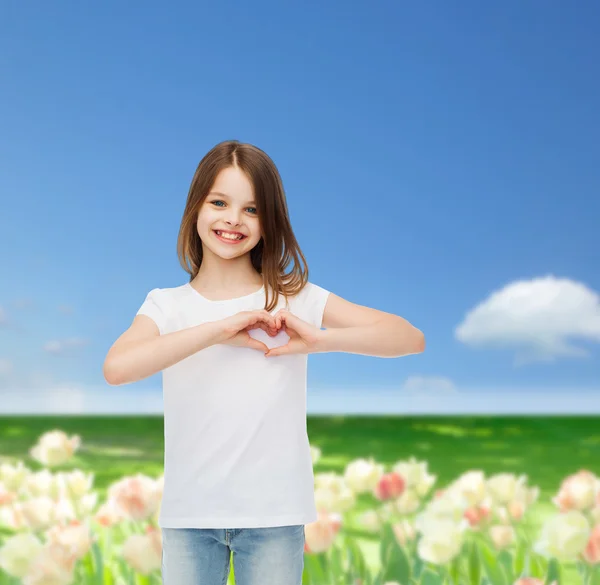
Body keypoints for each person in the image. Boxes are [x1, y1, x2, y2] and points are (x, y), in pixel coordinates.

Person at [103, 140, 425, 585]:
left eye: (251, 210)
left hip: (275, 513)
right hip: (190, 514)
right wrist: (218, 328)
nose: (233, 219)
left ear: (269, 222)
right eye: (219, 202)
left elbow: (409, 338)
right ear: (195, 207)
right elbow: (117, 368)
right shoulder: (166, 305)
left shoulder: (292, 296)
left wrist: (319, 340)